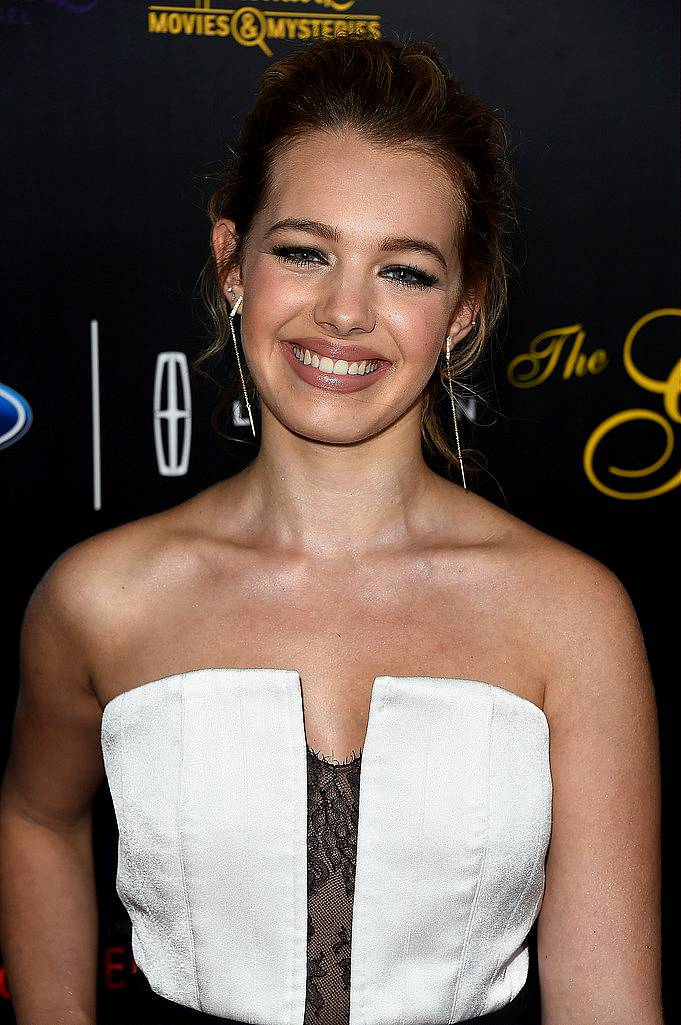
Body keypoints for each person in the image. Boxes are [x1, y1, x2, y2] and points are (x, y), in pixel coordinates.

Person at [0, 32, 664, 1025]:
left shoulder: (571, 615)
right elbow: (37, 816)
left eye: (405, 271)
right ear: (233, 265)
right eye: (304, 251)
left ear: (466, 311)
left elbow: (609, 1001)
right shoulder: (103, 597)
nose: (345, 311)